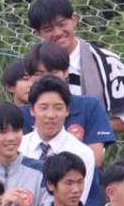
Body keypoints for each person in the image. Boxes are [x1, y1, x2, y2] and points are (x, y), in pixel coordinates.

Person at [27, 0, 124, 134]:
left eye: (62, 24)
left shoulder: (108, 63)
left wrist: (80, 130)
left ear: (74, 20)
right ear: (38, 33)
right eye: (48, 29)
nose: (57, 32)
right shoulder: (30, 68)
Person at [27, 42, 115, 170]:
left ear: (66, 71)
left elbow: (95, 159)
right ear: (29, 76)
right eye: (39, 73)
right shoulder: (22, 113)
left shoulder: (90, 106)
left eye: (53, 71)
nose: (46, 78)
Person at [21, 77, 95, 197]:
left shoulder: (82, 153)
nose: (51, 115)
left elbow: (78, 200)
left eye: (58, 108)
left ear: (67, 111)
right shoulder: (19, 148)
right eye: (44, 108)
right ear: (32, 110)